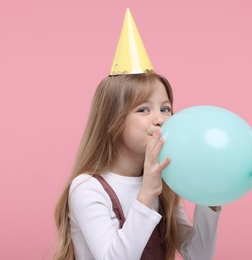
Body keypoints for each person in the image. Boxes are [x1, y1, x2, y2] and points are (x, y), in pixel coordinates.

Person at [54, 9, 221, 260]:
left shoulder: (165, 185)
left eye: (165, 108)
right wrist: (146, 194)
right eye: (144, 109)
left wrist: (209, 197)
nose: (160, 119)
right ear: (114, 121)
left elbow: (199, 255)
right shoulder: (88, 189)